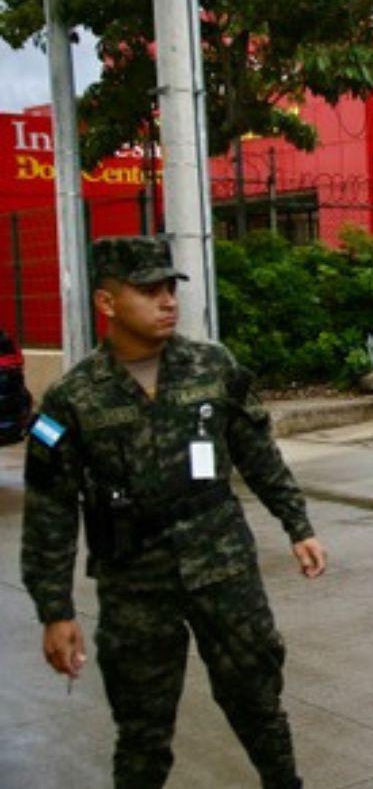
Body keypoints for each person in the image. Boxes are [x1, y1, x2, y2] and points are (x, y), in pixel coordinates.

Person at [21, 235, 327, 789]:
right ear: (108, 303)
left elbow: (257, 450)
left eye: (170, 289)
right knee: (141, 731)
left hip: (223, 567)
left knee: (259, 704)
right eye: (148, 291)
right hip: (135, 583)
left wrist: (296, 524)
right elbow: (50, 509)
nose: (167, 301)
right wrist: (55, 610)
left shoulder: (213, 366)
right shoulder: (73, 399)